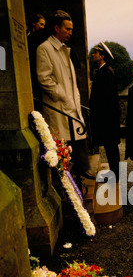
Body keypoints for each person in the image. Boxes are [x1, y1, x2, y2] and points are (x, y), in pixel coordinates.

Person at [36, 10, 93, 179]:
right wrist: (61, 95)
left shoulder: (65, 50)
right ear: (56, 28)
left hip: (71, 105)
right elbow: (43, 78)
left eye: (71, 29)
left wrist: (72, 99)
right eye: (67, 29)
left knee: (77, 138)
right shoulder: (44, 49)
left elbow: (72, 82)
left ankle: (83, 170)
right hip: (58, 106)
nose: (70, 32)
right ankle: (69, 178)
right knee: (64, 144)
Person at [89, 42, 121, 181]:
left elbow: (108, 98)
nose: (93, 54)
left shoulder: (107, 72)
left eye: (96, 53)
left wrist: (102, 117)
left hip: (108, 117)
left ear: (102, 56)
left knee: (111, 147)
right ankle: (114, 173)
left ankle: (116, 175)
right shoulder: (102, 71)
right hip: (106, 117)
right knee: (109, 147)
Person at [27, 13, 46, 99]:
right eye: (41, 24)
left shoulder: (41, 38)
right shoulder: (26, 34)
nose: (43, 27)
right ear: (34, 23)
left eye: (44, 25)